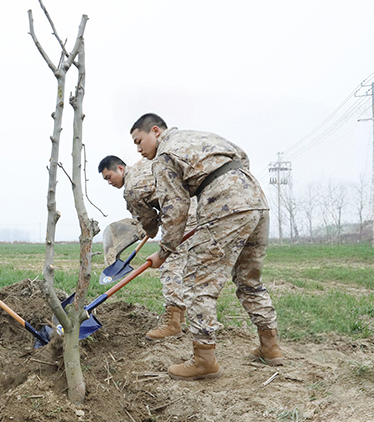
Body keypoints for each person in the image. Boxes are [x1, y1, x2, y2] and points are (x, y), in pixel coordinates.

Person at [129, 113, 283, 380]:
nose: (139, 150)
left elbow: (175, 208)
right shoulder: (199, 137)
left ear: (155, 131)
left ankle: (204, 359)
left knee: (197, 282)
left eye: (139, 141)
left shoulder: (164, 156)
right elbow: (242, 156)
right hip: (256, 199)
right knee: (250, 280)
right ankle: (270, 347)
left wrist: (164, 251)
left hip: (224, 206)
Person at [98, 155, 197, 340]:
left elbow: (149, 222)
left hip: (182, 217)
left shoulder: (131, 189)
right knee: (183, 266)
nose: (109, 182)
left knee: (170, 265)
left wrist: (150, 230)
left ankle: (172, 323)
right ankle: (180, 318)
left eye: (109, 177)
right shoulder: (142, 166)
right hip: (192, 207)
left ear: (120, 168)